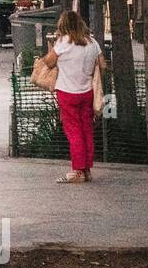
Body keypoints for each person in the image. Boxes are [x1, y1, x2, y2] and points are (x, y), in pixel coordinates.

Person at [41, 10, 103, 184]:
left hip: (67, 92)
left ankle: (77, 171)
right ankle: (87, 169)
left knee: (73, 132)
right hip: (87, 92)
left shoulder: (63, 42)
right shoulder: (93, 43)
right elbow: (102, 64)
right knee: (86, 131)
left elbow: (49, 62)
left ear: (64, 25)